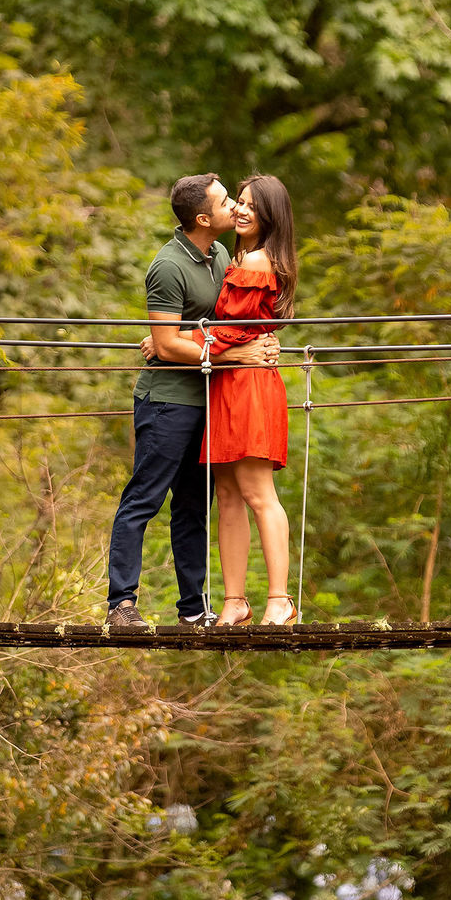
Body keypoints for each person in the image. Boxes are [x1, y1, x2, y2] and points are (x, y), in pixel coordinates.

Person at [107, 173, 280, 631]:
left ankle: (193, 608)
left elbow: (225, 319)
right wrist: (230, 351)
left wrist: (261, 339)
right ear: (203, 218)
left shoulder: (222, 254)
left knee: (192, 506)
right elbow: (168, 348)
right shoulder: (168, 265)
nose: (235, 208)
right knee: (144, 498)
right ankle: (121, 604)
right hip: (167, 401)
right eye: (227, 202)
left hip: (210, 398)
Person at [201, 175, 298, 628]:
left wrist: (172, 339)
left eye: (252, 207)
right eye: (238, 202)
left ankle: (279, 599)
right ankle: (235, 601)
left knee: (258, 494)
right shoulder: (243, 258)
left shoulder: (258, 263)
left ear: (270, 217)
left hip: (250, 385)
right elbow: (230, 331)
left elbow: (228, 329)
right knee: (227, 495)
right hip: (226, 381)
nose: (241, 211)